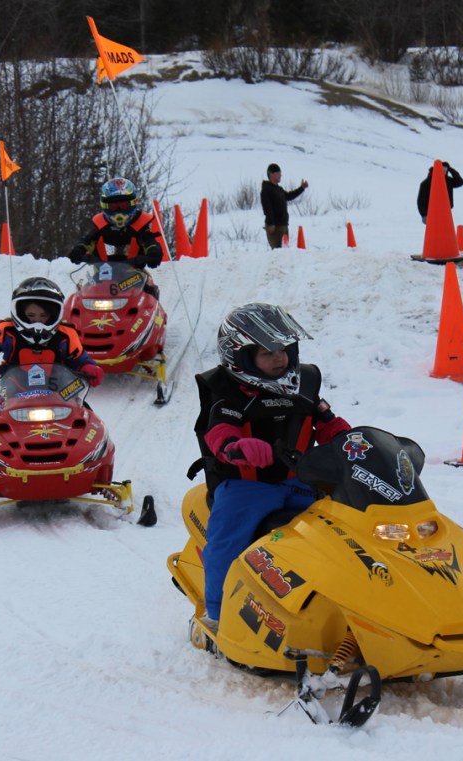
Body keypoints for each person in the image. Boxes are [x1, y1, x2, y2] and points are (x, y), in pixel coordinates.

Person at [192, 303, 351, 630]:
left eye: (283, 350)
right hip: (246, 486)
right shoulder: (230, 393)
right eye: (266, 352)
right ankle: (218, 614)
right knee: (228, 541)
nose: (279, 358)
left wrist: (351, 442)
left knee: (345, 533)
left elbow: (328, 423)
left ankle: (347, 602)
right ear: (241, 357)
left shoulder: (304, 385)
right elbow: (219, 431)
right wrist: (238, 448)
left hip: (301, 483)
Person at [0, 276, 104, 387]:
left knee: (84, 414)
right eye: (31, 316)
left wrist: (88, 366)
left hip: (60, 394)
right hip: (13, 393)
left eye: (43, 316)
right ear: (20, 313)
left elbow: (80, 357)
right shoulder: (8, 331)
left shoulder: (66, 335)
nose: (37, 321)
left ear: (54, 315)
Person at [260, 163, 308, 249]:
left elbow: (289, 196)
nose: (281, 175)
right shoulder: (266, 190)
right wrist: (270, 223)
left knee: (284, 254)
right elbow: (267, 208)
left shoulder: (278, 189)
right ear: (271, 174)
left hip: (283, 225)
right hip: (275, 227)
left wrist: (302, 188)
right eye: (278, 173)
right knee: (278, 253)